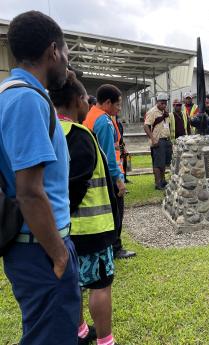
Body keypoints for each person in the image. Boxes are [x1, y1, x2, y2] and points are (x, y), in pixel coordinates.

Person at [0, 11, 80, 344]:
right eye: (66, 54)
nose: (66, 64)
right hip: (42, 250)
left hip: (35, 247)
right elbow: (30, 191)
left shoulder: (10, 94)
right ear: (53, 51)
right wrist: (60, 254)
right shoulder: (27, 101)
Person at [50, 72, 119, 345]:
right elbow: (74, 186)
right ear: (80, 99)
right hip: (92, 227)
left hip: (63, 229)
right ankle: (105, 340)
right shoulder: (79, 135)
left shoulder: (49, 130)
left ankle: (80, 331)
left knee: (74, 281)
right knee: (100, 284)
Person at [84, 84, 136, 260]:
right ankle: (115, 247)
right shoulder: (104, 122)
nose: (119, 108)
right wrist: (118, 180)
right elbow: (108, 154)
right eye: (118, 104)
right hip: (109, 176)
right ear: (107, 102)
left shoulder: (91, 115)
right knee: (116, 212)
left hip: (97, 174)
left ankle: (109, 246)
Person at [144, 93, 173, 189]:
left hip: (166, 139)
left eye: (165, 103)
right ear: (157, 102)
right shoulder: (152, 112)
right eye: (162, 103)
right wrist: (153, 139)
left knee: (164, 162)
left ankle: (163, 180)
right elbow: (146, 126)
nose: (164, 105)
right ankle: (158, 183)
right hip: (158, 140)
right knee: (157, 163)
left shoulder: (165, 112)